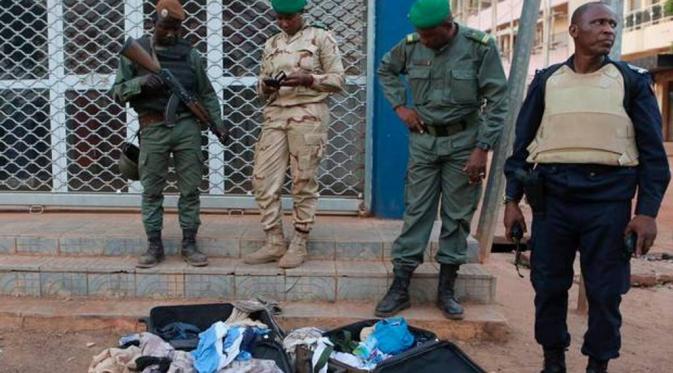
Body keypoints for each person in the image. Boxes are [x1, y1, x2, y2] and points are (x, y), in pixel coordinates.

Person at [503, 3, 670, 372]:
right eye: (598, 22)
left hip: (608, 203)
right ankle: (553, 361)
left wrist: (646, 213)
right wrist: (511, 200)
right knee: (547, 286)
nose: (608, 29)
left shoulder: (633, 81)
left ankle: (598, 364)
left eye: (612, 23)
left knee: (605, 291)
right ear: (575, 31)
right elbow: (521, 149)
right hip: (552, 201)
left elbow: (654, 157)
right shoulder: (547, 81)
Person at [375, 0, 508, 320]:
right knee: (416, 211)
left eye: (428, 34)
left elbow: (498, 99)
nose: (422, 39)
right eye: (418, 33)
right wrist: (400, 108)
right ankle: (400, 287)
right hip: (424, 141)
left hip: (465, 143)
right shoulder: (410, 46)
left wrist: (482, 149)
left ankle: (446, 289)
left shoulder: (480, 47)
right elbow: (386, 69)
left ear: (448, 26)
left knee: (457, 215)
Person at [112, 0, 226, 268]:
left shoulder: (190, 54)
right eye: (165, 27)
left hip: (187, 127)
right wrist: (139, 83)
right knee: (152, 190)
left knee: (190, 188)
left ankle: (189, 243)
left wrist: (217, 123)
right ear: (154, 23)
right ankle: (154, 245)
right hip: (152, 127)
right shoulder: (136, 52)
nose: (171, 33)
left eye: (176, 28)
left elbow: (206, 93)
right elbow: (116, 91)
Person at [243, 0, 345, 269]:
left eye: (289, 18)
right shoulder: (272, 43)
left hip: (309, 114)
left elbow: (338, 79)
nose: (284, 23)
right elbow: (261, 85)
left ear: (301, 14)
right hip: (275, 114)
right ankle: (274, 240)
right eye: (279, 19)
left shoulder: (321, 37)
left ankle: (299, 240)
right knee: (263, 179)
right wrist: (265, 86)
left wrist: (309, 79)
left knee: (303, 180)